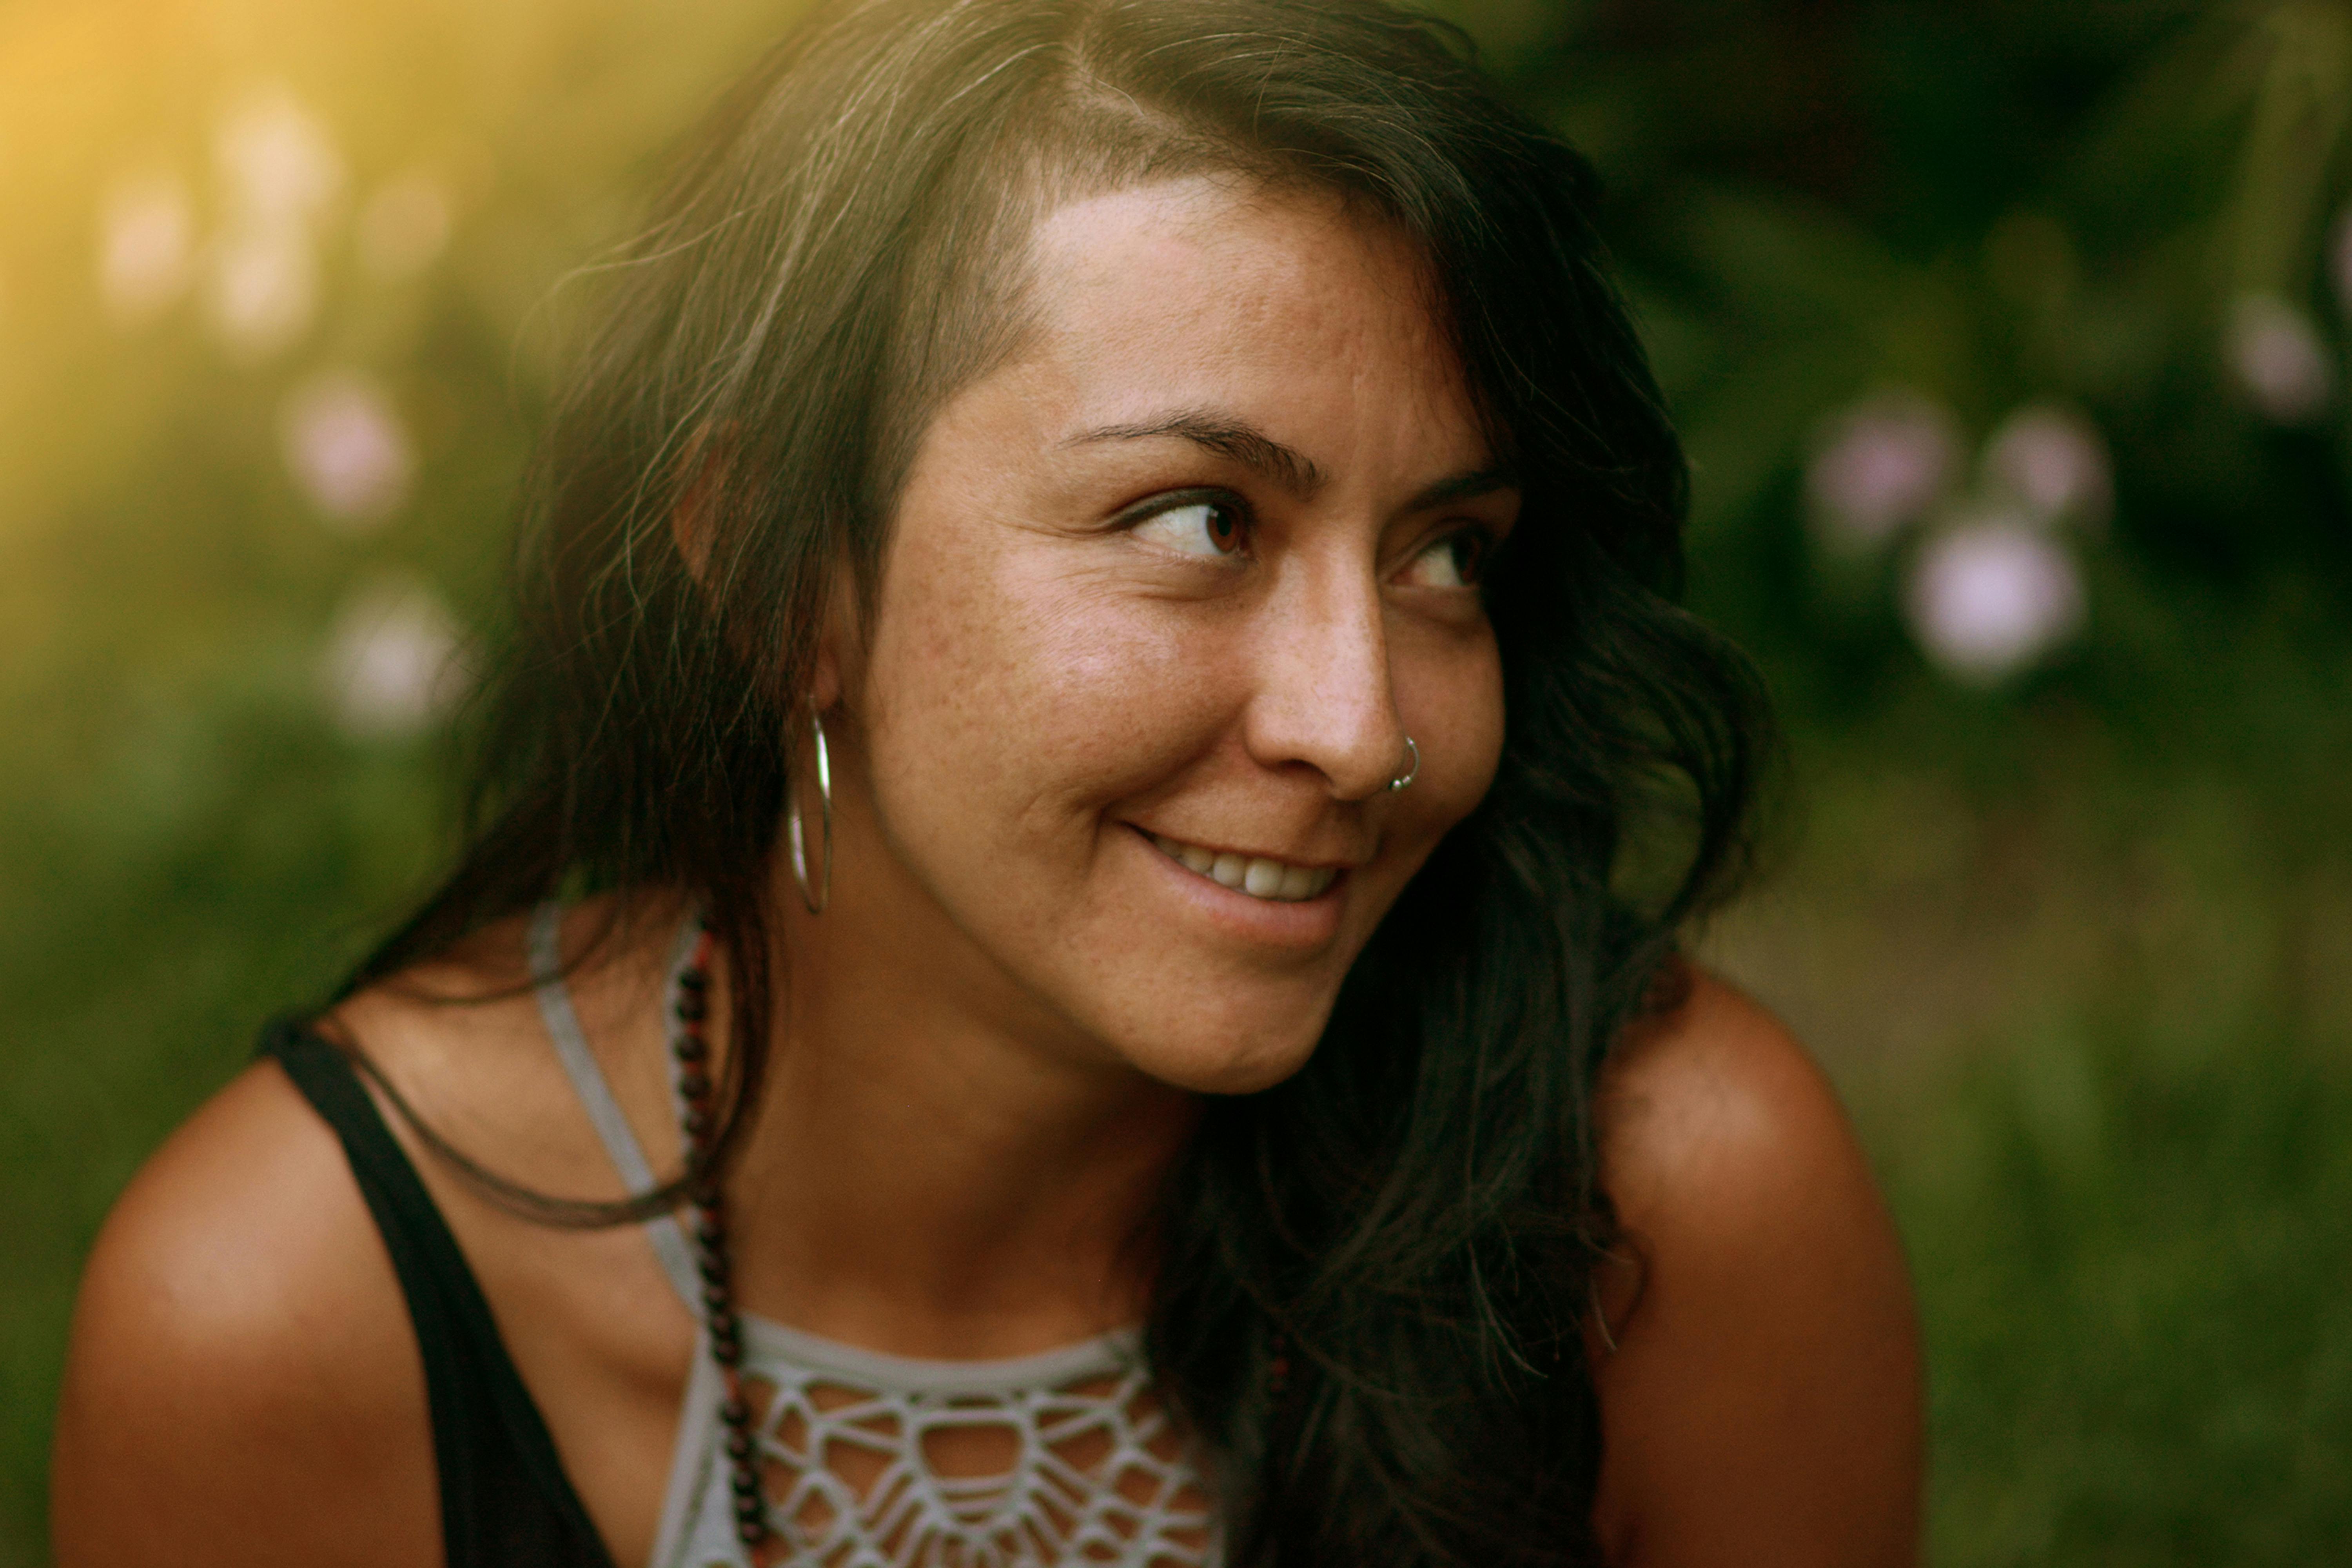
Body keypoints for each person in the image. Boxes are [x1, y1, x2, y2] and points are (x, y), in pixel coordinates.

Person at [50, 1, 1921, 1563]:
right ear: (786, 580)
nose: (1363, 726)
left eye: (1447, 553)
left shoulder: (1668, 1205)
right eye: (1202, 520)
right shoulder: (302, 1313)